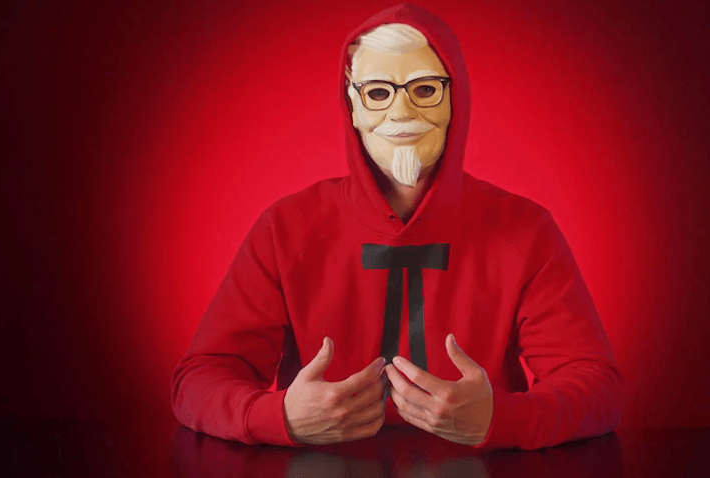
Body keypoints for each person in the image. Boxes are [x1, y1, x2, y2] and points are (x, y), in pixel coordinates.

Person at [171, 3, 623, 450]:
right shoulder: (284, 229)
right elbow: (198, 380)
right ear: (352, 104)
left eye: (425, 90)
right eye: (379, 92)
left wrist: (502, 419)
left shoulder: (527, 230)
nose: (402, 113)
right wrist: (279, 417)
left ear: (456, 99)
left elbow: (598, 389)